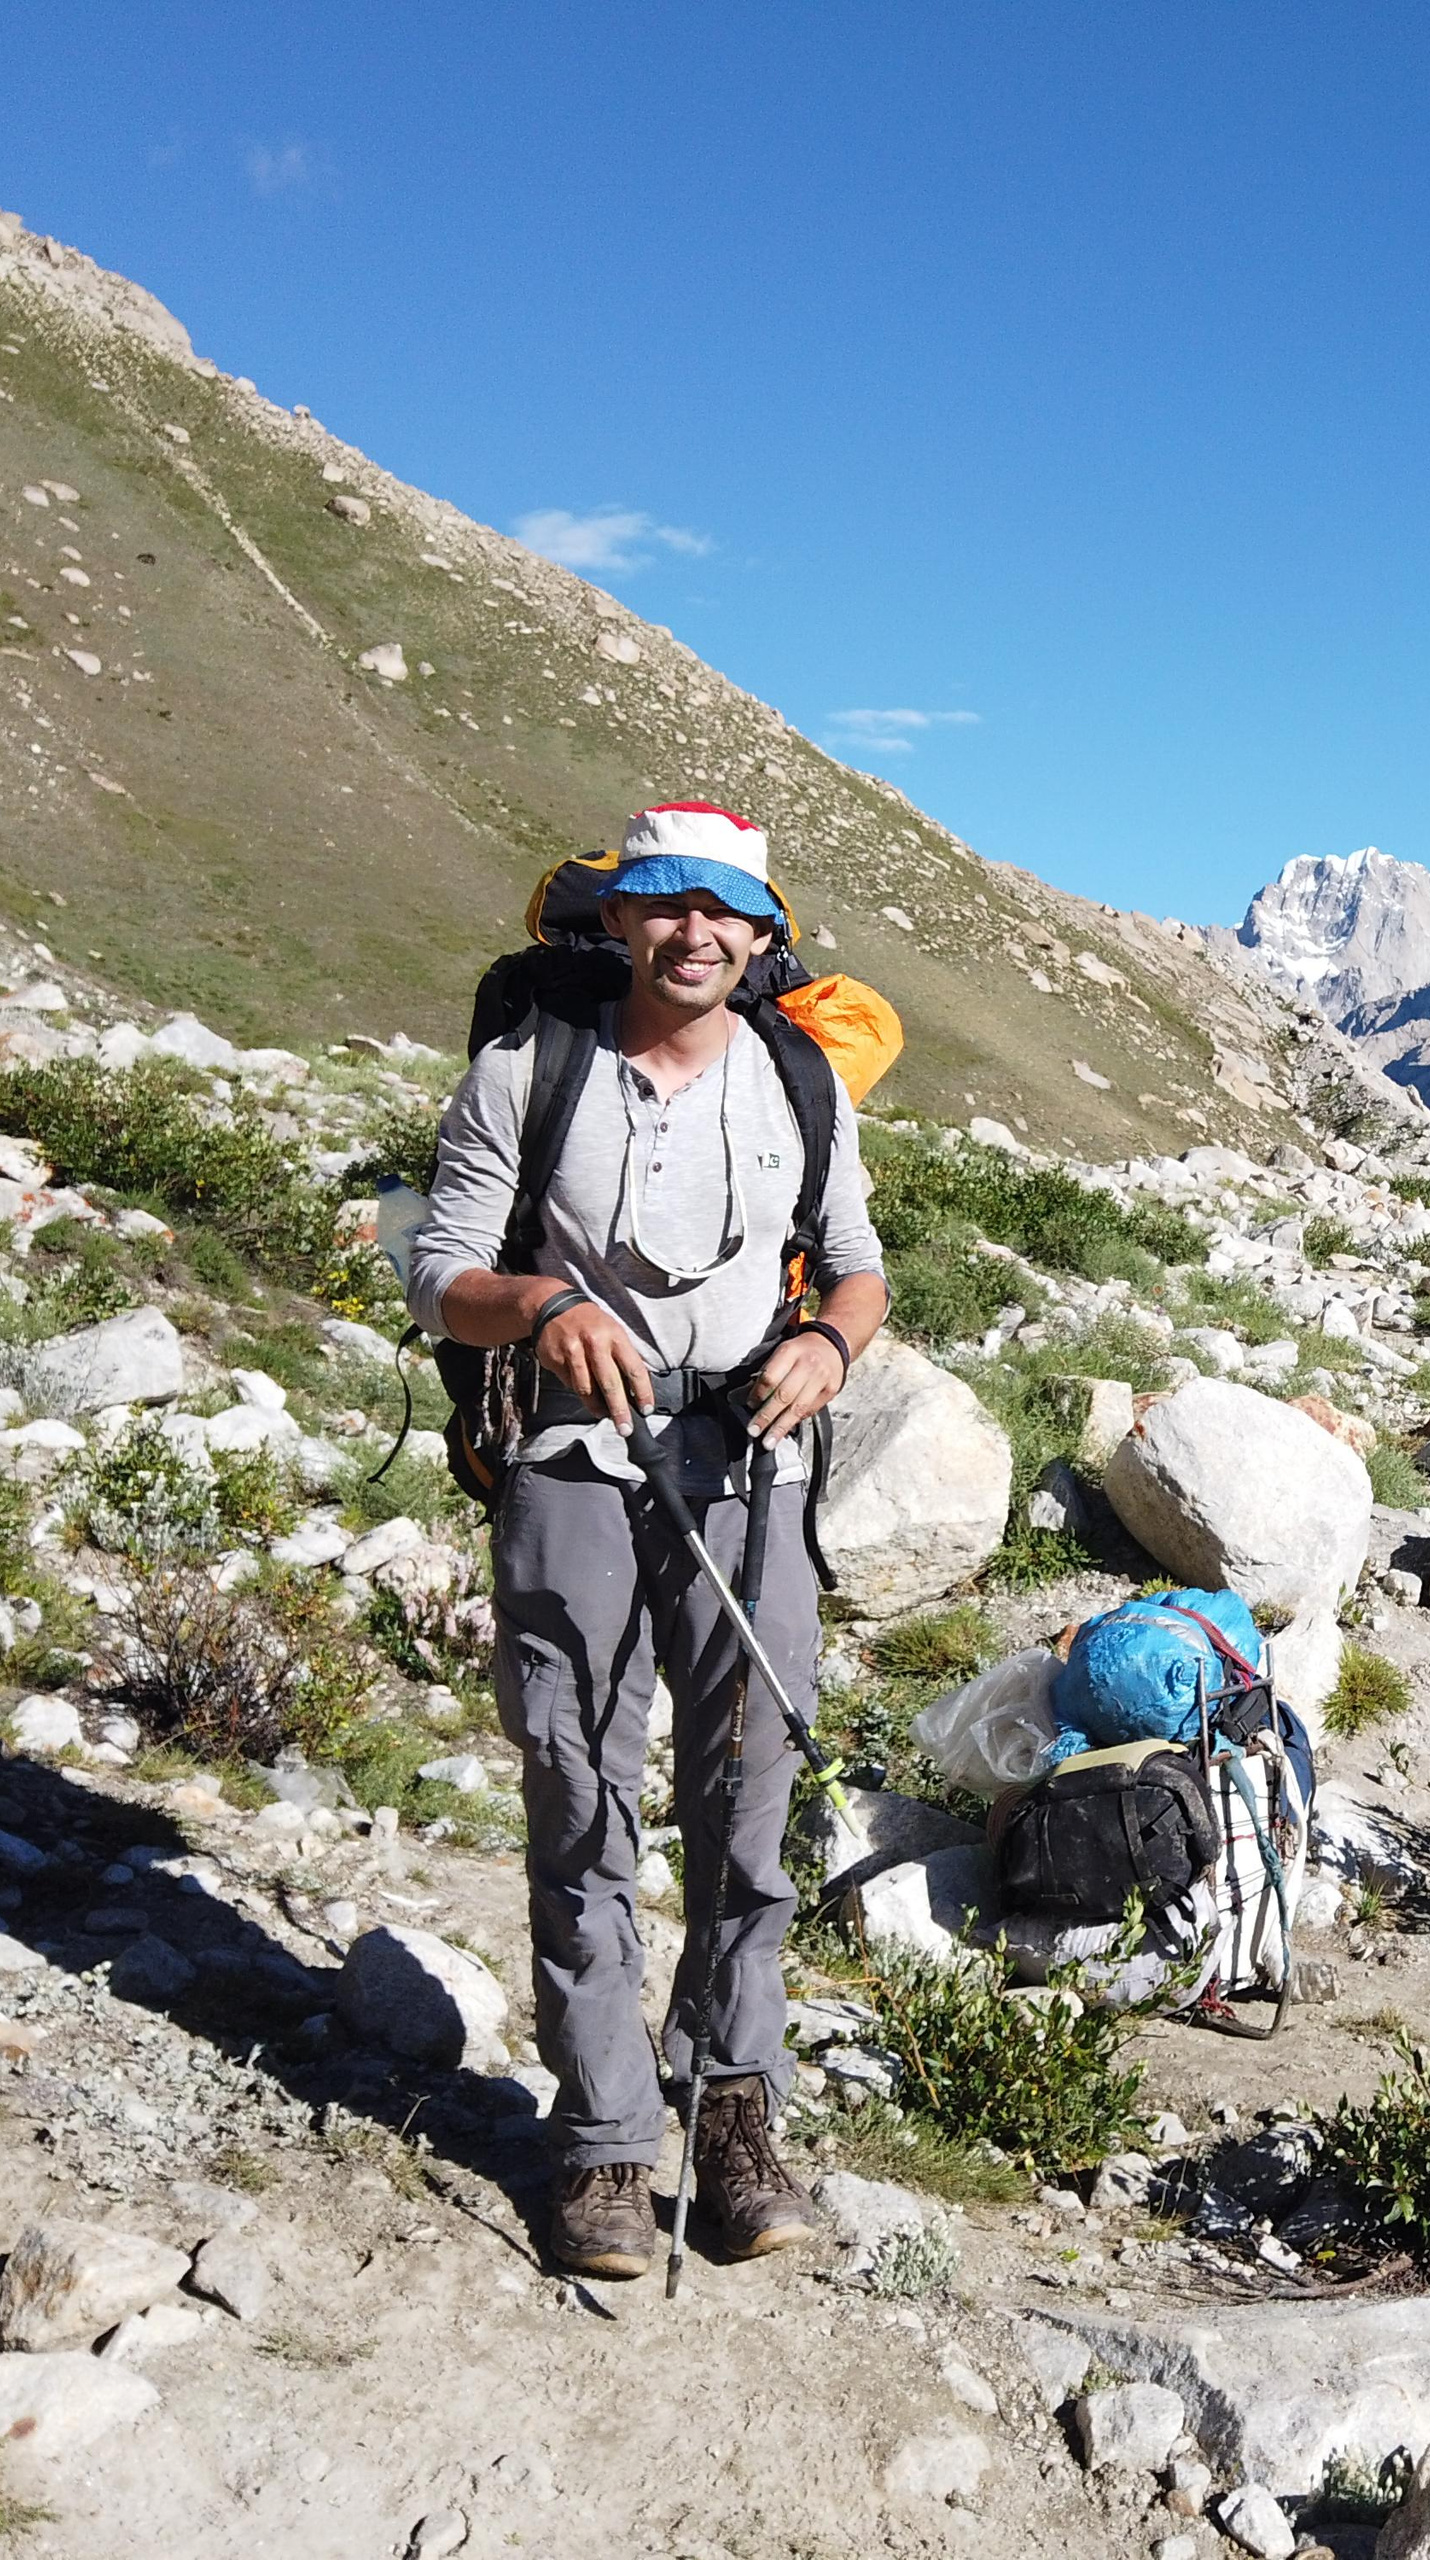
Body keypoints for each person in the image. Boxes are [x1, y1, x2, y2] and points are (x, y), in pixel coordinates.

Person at [406, 802, 890, 2282]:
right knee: (579, 1783)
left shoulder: (802, 1079)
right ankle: (607, 2141)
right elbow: (438, 1272)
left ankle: (736, 2114)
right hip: (571, 1457)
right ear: (616, 922)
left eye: (723, 910)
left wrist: (829, 1347)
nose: (692, 932)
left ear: (760, 938)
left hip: (748, 1458)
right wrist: (543, 1309)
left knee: (751, 1796)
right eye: (661, 904)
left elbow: (859, 1268)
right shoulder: (528, 1071)